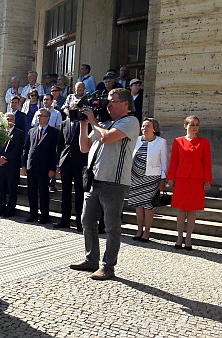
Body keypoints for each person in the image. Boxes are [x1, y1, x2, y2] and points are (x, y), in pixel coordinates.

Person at [69, 88, 139, 280]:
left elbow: (107, 138)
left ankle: (108, 266)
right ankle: (91, 259)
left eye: (112, 101)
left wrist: (93, 122)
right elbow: (84, 147)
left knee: (111, 225)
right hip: (95, 179)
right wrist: (84, 124)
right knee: (86, 220)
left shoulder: (130, 122)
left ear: (125, 104)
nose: (108, 105)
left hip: (114, 181)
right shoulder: (104, 123)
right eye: (107, 101)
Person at [166, 115, 212, 251]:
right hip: (181, 180)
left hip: (197, 181)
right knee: (181, 209)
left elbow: (207, 163)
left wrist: (207, 180)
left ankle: (188, 238)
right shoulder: (178, 141)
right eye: (192, 124)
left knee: (192, 210)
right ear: (185, 126)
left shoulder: (204, 142)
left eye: (197, 125)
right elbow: (174, 161)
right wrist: (171, 178)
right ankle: (179, 237)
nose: (195, 127)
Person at [127, 118, 168, 242]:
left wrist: (163, 179)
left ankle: (146, 233)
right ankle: (139, 230)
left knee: (148, 206)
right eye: (143, 126)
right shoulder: (136, 140)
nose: (145, 128)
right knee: (138, 205)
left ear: (154, 128)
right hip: (135, 177)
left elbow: (164, 162)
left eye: (148, 126)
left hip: (152, 178)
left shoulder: (161, 142)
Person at [21, 108, 58, 224]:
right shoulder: (32, 131)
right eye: (38, 116)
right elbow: (26, 149)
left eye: (41, 116)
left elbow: (54, 152)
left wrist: (52, 168)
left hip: (44, 167)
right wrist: (24, 165)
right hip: (31, 166)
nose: (39, 118)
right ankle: (33, 214)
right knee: (31, 192)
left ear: (48, 118)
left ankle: (44, 216)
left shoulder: (54, 132)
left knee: (43, 193)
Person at [54, 109, 88, 232]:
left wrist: (86, 164)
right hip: (65, 161)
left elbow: (88, 143)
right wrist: (58, 163)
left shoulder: (85, 123)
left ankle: (80, 222)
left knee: (79, 192)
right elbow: (60, 144)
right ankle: (65, 220)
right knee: (65, 192)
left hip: (79, 161)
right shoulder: (64, 123)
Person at [0, 113, 25, 218]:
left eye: (11, 119)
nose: (9, 120)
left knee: (12, 189)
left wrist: (5, 159)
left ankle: (10, 210)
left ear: (14, 120)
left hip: (11, 165)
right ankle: (1, 208)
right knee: (0, 188)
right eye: (7, 119)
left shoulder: (19, 133)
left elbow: (18, 149)